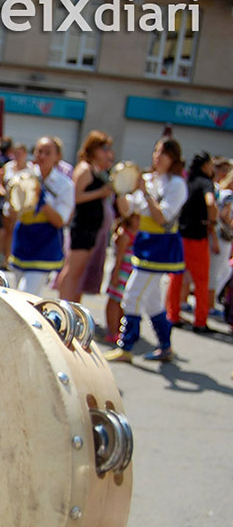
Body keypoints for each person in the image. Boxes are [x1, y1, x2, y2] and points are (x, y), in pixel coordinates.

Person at [105, 137, 188, 363]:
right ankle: (166, 346)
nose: (158, 157)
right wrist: (121, 189)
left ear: (174, 159)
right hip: (143, 243)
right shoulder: (149, 179)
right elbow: (127, 209)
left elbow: (163, 218)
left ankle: (126, 346)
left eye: (164, 153)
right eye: (156, 152)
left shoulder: (177, 184)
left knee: (131, 295)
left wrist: (145, 192)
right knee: (152, 302)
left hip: (161, 247)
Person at [9, 136, 75, 296]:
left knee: (26, 295)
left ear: (57, 156)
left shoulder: (64, 184)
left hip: (44, 242)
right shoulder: (24, 177)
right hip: (23, 239)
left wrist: (42, 203)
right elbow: (12, 212)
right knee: (17, 294)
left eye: (48, 152)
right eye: (39, 151)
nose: (42, 156)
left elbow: (60, 221)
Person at [55, 131, 115, 302]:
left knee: (79, 272)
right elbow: (76, 197)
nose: (107, 152)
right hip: (82, 226)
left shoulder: (95, 169)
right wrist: (100, 192)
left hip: (91, 227)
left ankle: (72, 303)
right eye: (104, 148)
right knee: (73, 270)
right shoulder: (84, 169)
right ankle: (63, 304)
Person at [166, 151, 215, 333]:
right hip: (197, 238)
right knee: (201, 280)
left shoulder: (185, 181)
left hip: (180, 235)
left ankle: (173, 314)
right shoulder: (205, 182)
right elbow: (210, 202)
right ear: (205, 165)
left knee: (176, 277)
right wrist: (212, 220)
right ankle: (200, 321)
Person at [105, 211, 140, 343]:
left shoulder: (135, 234)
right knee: (114, 301)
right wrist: (116, 275)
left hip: (128, 274)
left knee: (122, 303)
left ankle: (119, 329)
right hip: (121, 273)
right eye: (136, 219)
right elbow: (119, 258)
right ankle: (111, 330)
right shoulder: (125, 235)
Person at [0, 142, 28, 267]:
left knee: (18, 231)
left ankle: (15, 256)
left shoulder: (30, 169)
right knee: (8, 231)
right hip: (8, 204)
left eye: (20, 153)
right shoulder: (8, 167)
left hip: (23, 206)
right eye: (16, 153)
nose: (18, 156)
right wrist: (3, 192)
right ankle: (5, 257)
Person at [209, 158, 233, 315]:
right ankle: (209, 305)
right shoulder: (229, 195)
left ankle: (208, 303)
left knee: (216, 270)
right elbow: (225, 216)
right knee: (221, 271)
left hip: (215, 235)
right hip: (223, 238)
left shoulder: (221, 191)